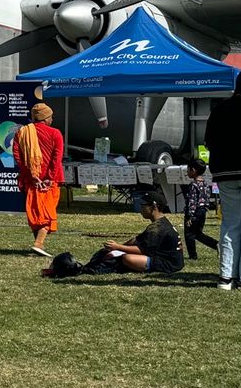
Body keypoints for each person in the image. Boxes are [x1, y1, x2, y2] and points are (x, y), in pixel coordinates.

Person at [48, 191, 184, 277]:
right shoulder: (158, 224)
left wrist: (118, 247)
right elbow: (137, 240)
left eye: (144, 205)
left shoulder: (159, 228)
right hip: (161, 257)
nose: (141, 208)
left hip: (168, 264)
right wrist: (117, 248)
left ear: (154, 207)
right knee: (118, 255)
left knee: (127, 259)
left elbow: (141, 249)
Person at [205, 68, 241, 290]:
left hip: (224, 173)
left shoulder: (220, 109)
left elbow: (209, 142)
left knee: (230, 225)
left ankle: (225, 277)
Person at [13, 103, 64, 258]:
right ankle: (38, 244)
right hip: (50, 181)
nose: (52, 119)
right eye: (51, 117)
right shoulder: (55, 133)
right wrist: (49, 178)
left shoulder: (22, 133)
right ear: (46, 118)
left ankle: (38, 246)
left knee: (36, 213)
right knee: (47, 214)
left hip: (31, 180)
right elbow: (56, 158)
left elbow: (18, 157)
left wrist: (31, 176)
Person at [182, 158, 218, 260]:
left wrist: (189, 215)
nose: (187, 172)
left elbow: (192, 201)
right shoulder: (206, 184)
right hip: (203, 211)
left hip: (195, 212)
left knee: (189, 234)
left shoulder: (193, 185)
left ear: (193, 170)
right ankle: (216, 245)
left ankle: (193, 256)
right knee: (198, 233)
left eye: (188, 170)